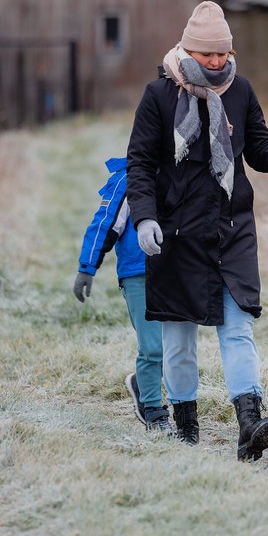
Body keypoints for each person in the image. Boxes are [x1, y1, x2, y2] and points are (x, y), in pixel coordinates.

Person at [126, 0, 268, 461]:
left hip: (231, 229)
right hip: (177, 233)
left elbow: (258, 150)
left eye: (222, 53)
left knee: (238, 326)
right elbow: (141, 164)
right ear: (189, 49)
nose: (216, 61)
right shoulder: (159, 95)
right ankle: (186, 424)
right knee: (180, 337)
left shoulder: (240, 90)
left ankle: (250, 421)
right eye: (208, 54)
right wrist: (145, 217)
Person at [73, 156, 173, 434]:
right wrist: (87, 268)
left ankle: (146, 384)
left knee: (175, 347)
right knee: (153, 347)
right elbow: (104, 223)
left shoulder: (182, 169)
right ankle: (153, 409)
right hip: (137, 274)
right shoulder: (128, 179)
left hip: (176, 271)